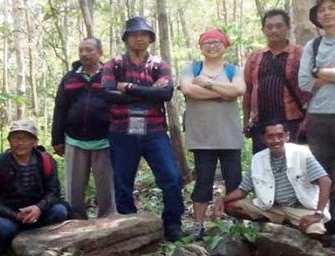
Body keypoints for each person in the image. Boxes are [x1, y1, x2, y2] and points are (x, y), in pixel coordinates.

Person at [101, 16, 184, 241]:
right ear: (127, 39)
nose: (139, 38)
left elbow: (165, 94)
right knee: (122, 181)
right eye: (134, 34)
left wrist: (127, 87)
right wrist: (148, 92)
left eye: (143, 34)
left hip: (155, 130)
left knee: (172, 177)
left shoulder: (159, 64)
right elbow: (106, 93)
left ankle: (173, 224)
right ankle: (130, 225)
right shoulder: (114, 64)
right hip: (121, 130)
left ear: (150, 38)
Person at [180, 29, 246, 240]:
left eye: (217, 41)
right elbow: (188, 90)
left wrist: (208, 84)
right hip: (202, 137)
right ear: (201, 47)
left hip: (230, 136)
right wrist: (222, 93)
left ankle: (238, 223)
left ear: (225, 45)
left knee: (234, 181)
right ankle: (198, 225)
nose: (212, 45)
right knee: (203, 181)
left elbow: (238, 90)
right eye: (207, 42)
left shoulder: (233, 69)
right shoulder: (192, 67)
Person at [214, 121, 331, 236]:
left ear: (287, 136)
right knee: (231, 207)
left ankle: (291, 226)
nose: (276, 140)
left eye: (280, 136)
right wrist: (222, 199)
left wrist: (318, 213)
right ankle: (275, 225)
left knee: (315, 230)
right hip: (272, 207)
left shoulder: (302, 154)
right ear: (263, 139)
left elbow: (325, 181)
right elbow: (243, 190)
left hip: (300, 208)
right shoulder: (258, 159)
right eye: (270, 137)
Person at [0, 120, 70, 254]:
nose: (20, 143)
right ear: (9, 141)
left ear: (34, 142)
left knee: (59, 211)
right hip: (7, 215)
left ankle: (41, 240)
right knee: (3, 229)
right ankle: (6, 246)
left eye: (25, 139)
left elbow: (53, 191)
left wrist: (39, 208)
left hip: (38, 212)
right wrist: (16, 215)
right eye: (15, 139)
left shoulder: (46, 161)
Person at [51, 37, 115, 219]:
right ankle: (75, 221)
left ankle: (108, 222)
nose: (84, 54)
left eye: (89, 50)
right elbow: (60, 108)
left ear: (100, 53)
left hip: (104, 140)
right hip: (74, 139)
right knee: (74, 188)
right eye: (81, 50)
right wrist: (57, 139)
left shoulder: (110, 76)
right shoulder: (70, 78)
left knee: (107, 187)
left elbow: (119, 106)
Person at [243, 9, 310, 154]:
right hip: (261, 123)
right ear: (263, 30)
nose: (274, 30)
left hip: (292, 122)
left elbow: (311, 90)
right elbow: (248, 91)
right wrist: (246, 122)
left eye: (279, 26)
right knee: (263, 166)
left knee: (294, 167)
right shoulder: (255, 57)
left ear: (287, 27)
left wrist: (307, 120)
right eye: (269, 26)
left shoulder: (300, 53)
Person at [298, 0, 335, 235]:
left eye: (332, 8)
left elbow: (312, 76)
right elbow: (303, 81)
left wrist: (320, 72)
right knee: (323, 174)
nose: (327, 13)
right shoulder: (313, 46)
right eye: (322, 10)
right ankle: (328, 226)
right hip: (319, 117)